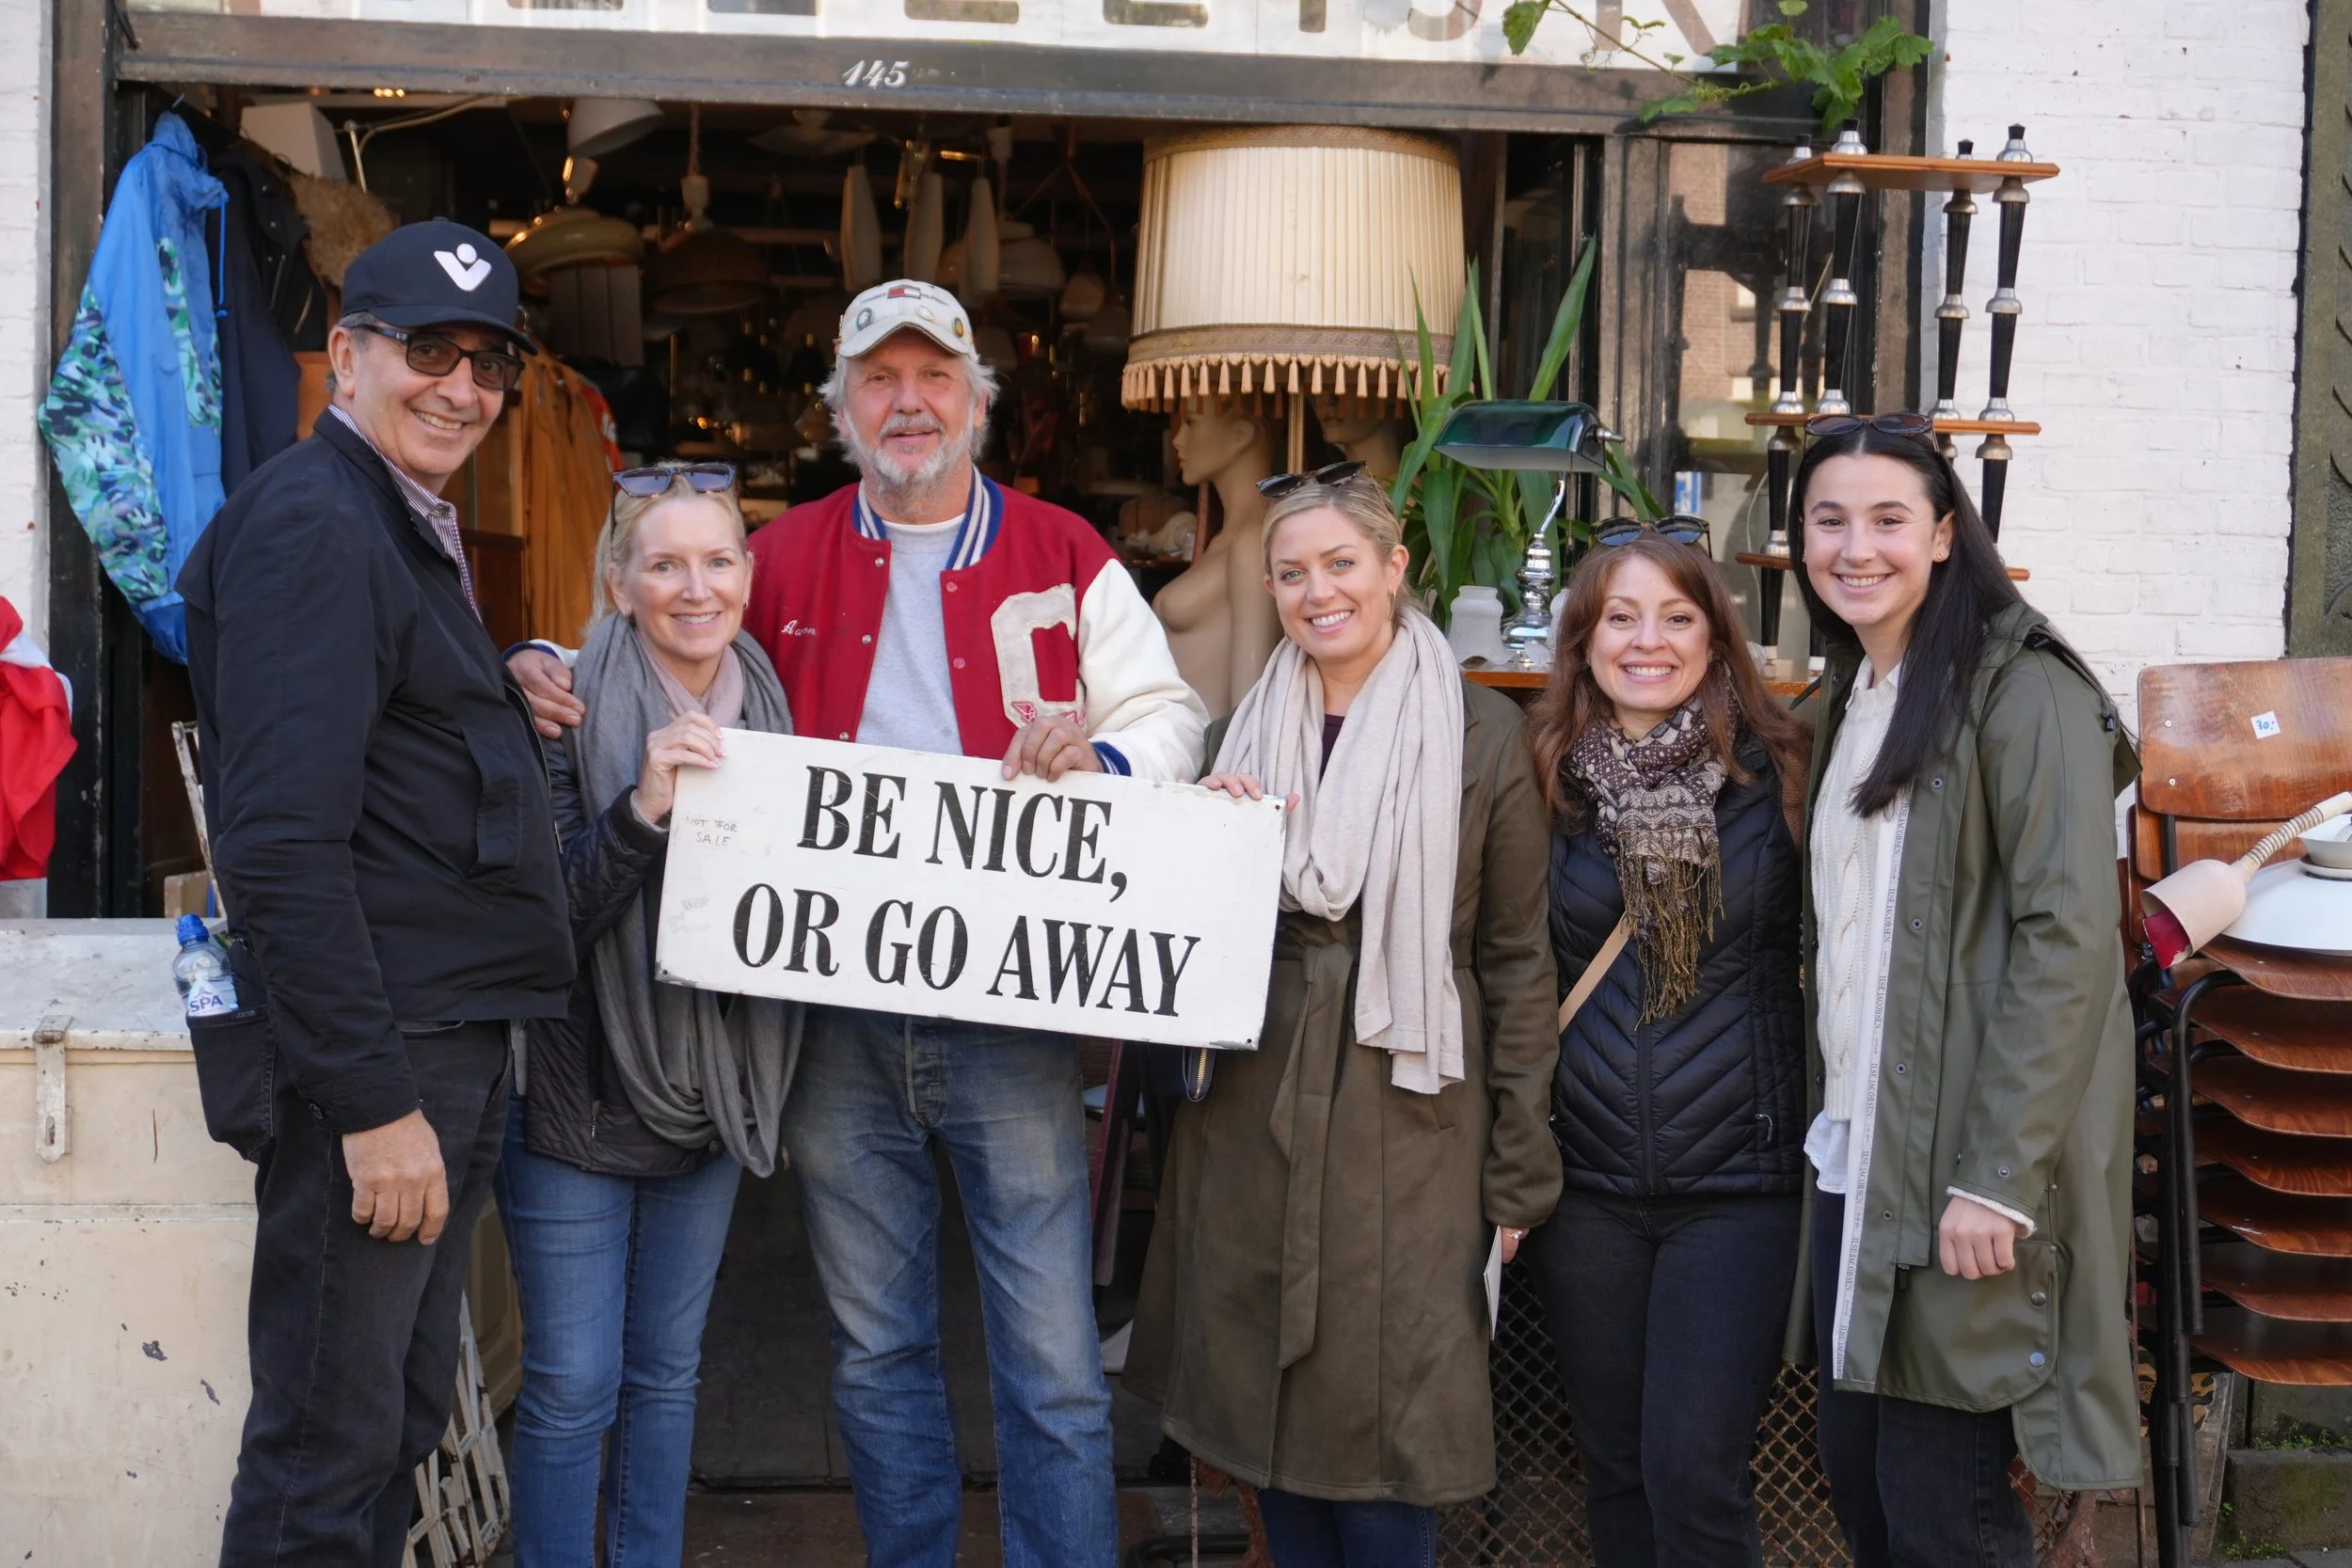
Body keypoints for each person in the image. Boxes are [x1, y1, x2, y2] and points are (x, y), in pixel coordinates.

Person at [507, 278, 1207, 1567]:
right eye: (878, 380)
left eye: (933, 375)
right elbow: (676, 620)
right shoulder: (784, 549)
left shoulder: (1062, 548)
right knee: (879, 1345)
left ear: (978, 400)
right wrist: (546, 657)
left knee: (1052, 1355)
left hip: (1011, 1003)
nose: (907, 401)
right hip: (830, 1010)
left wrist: (1106, 757)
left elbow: (1171, 711)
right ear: (840, 407)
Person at [180, 221, 575, 1566]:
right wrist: (372, 1103)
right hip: (386, 1055)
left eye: (488, 360)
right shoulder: (315, 521)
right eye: (428, 349)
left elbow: (383, 737)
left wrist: (490, 689)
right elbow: (281, 844)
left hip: (432, 1038)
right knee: (325, 1449)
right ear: (346, 354)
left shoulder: (384, 519)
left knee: (388, 1418)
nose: (462, 385)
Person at [1124, 464, 1562, 1568]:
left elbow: (1513, 961)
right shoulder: (1240, 732)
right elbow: (1170, 946)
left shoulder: (1478, 735)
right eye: (1290, 572)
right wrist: (1204, 844)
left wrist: (1519, 1168)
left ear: (1392, 567)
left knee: (1388, 1437)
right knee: (1265, 1436)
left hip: (1412, 1119)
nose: (1317, 591)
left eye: (1339, 563)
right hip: (1251, 1107)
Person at [1787, 412, 2139, 1567]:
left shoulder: (2020, 691)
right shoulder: (1854, 695)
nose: (1855, 546)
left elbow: (2069, 939)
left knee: (1947, 1512)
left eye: (1888, 519)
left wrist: (1996, 1177)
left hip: (1965, 1173)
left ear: (1943, 535)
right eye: (1827, 519)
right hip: (1865, 1152)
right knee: (1865, 1483)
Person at [497, 462, 801, 1567]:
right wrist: (642, 810)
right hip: (578, 1098)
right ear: (618, 584)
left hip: (707, 1096)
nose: (694, 586)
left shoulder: (778, 713)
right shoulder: (556, 711)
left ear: (748, 577)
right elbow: (536, 928)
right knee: (575, 1384)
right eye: (664, 563)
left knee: (666, 1375)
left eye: (717, 560)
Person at [1516, 521, 1813, 1568]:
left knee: (1695, 1473)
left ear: (1715, 636)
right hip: (1586, 1184)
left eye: (1676, 616)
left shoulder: (1782, 777)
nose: (1648, 640)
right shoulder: (1540, 779)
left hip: (1738, 1181)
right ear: (1583, 640)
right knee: (1615, 1469)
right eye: (1619, 617)